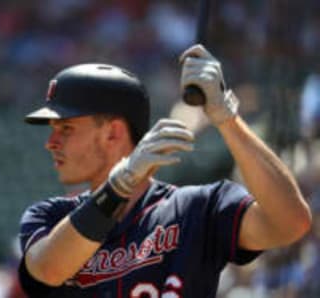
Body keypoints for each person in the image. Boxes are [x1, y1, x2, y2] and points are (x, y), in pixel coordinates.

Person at [17, 44, 312, 298]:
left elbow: (289, 223)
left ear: (113, 133)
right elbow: (48, 269)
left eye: (66, 128)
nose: (51, 143)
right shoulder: (49, 216)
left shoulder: (195, 208)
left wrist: (226, 117)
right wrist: (120, 185)